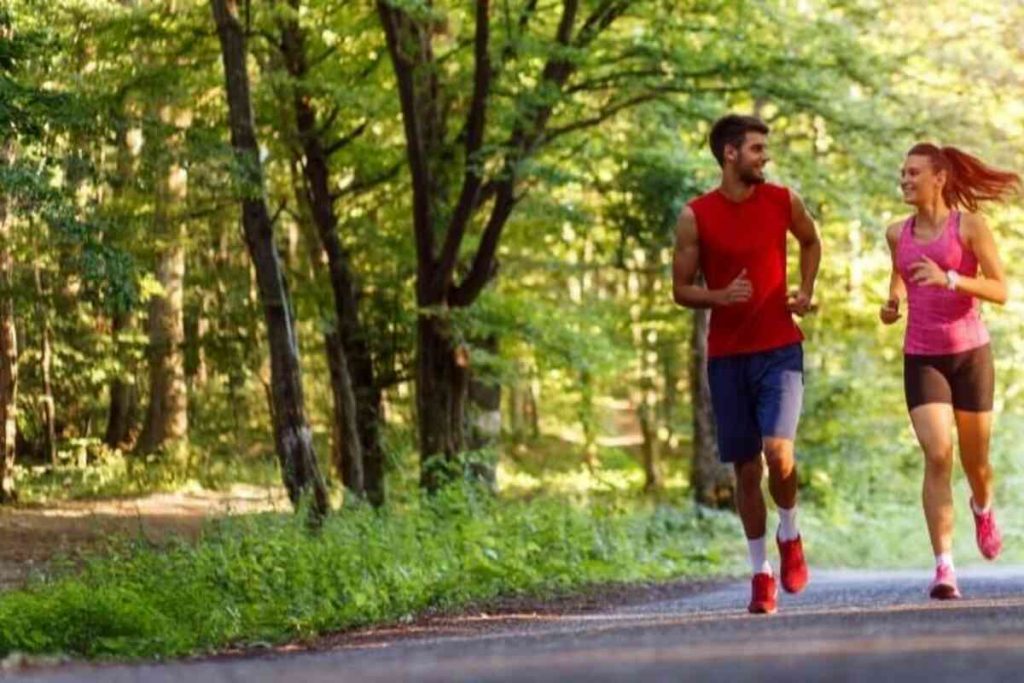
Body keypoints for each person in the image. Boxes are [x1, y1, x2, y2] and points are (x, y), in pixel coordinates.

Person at [673, 114, 821, 614]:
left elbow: (811, 240)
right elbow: (681, 289)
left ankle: (791, 533)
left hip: (780, 347)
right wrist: (718, 294)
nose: (765, 157)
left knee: (779, 453)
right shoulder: (696, 215)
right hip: (728, 356)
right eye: (757, 149)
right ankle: (760, 572)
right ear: (730, 154)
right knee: (743, 467)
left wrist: (805, 290)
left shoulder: (782, 200)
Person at [880, 143, 1019, 599]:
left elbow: (1000, 289)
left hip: (970, 354)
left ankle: (983, 506)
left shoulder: (970, 226)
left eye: (913, 172)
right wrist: (894, 300)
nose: (904, 179)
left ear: (939, 177)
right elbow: (901, 271)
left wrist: (951, 279)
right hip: (922, 355)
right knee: (939, 453)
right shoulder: (896, 232)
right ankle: (944, 568)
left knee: (975, 463)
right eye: (902, 172)